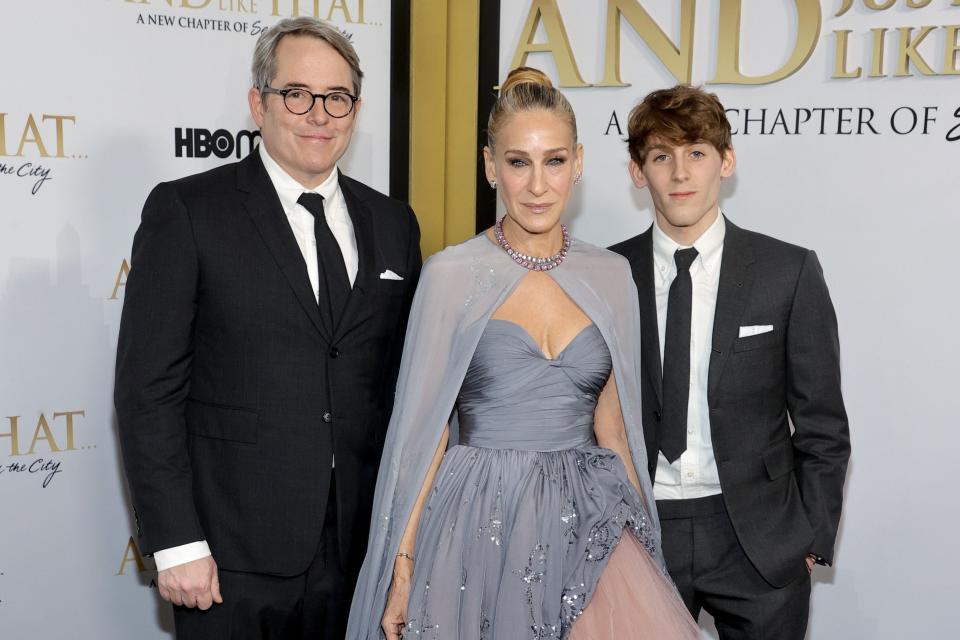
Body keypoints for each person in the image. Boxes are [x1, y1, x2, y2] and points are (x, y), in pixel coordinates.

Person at [346, 67, 698, 640]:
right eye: (518, 162)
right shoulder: (450, 275)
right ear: (491, 166)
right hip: (477, 524)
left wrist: (647, 547)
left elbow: (613, 427)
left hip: (592, 518)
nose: (538, 185)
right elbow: (423, 435)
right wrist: (402, 565)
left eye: (554, 161)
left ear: (578, 163)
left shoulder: (611, 276)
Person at [114, 17, 421, 639]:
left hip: (359, 551)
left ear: (355, 110)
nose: (319, 114)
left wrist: (402, 547)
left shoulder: (394, 223)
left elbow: (398, 390)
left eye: (337, 98)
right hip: (229, 558)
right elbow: (147, 391)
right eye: (296, 94)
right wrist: (175, 541)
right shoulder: (189, 211)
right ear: (258, 103)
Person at [608, 85, 850, 639]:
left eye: (696, 152)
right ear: (637, 172)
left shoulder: (786, 272)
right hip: (640, 530)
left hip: (758, 538)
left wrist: (809, 538)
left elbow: (823, 424)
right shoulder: (607, 275)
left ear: (727, 161)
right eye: (661, 156)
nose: (680, 173)